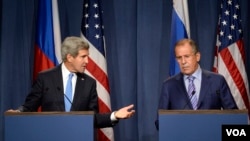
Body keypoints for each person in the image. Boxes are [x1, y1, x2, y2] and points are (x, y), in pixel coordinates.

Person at [7, 36, 135, 128]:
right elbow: (29, 107)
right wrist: (18, 113)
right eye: (83, 57)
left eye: (87, 57)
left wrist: (115, 115)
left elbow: (93, 118)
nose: (87, 62)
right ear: (69, 57)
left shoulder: (89, 83)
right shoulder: (45, 78)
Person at [158, 38, 238, 110]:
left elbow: (233, 115)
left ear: (197, 56)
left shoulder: (217, 81)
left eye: (187, 56)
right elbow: (160, 121)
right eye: (179, 58)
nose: (183, 62)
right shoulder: (169, 85)